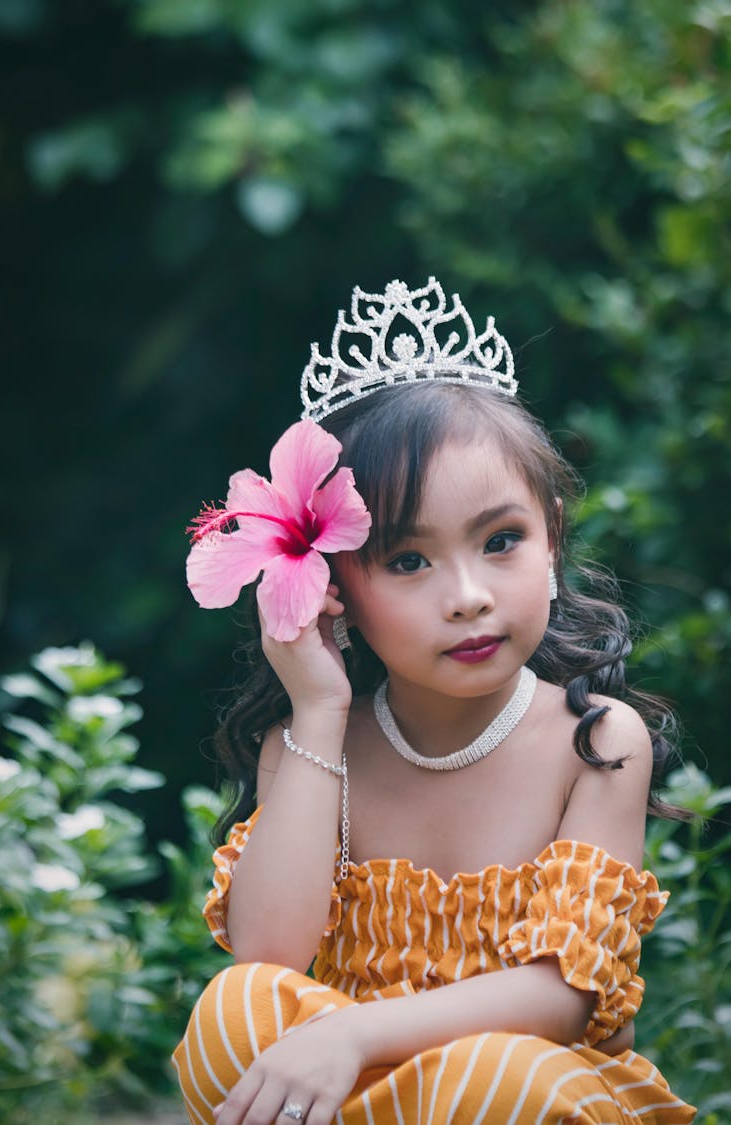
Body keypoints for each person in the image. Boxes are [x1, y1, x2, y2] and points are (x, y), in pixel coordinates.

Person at [173, 278, 696, 1124]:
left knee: (506, 1077)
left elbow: (563, 999)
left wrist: (352, 1036)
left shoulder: (596, 741)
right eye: (408, 561)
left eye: (501, 542)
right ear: (336, 585)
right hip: (350, 1093)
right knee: (230, 1017)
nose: (467, 596)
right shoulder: (312, 749)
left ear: (553, 538)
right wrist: (315, 709)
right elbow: (268, 959)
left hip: (527, 1092)